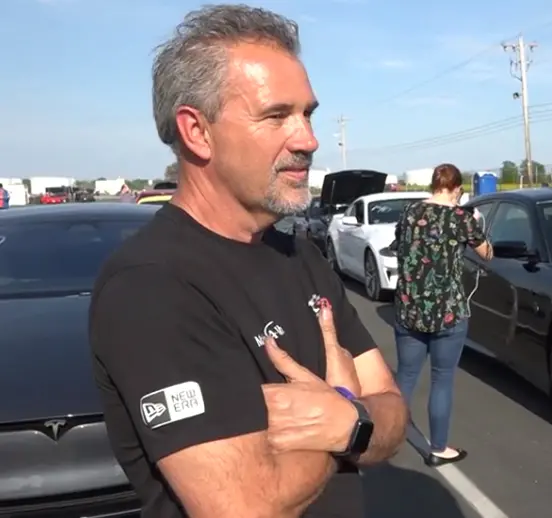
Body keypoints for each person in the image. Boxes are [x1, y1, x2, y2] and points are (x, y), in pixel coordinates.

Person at [89, 5, 407, 517]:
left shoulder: (299, 255)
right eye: (276, 115)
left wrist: (348, 420)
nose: (308, 139)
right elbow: (248, 508)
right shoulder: (151, 288)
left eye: (307, 113)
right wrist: (347, 409)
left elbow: (392, 410)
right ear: (197, 131)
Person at [391, 163, 493, 466]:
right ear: (457, 189)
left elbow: (398, 245)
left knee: (406, 375)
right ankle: (438, 448)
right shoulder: (461, 218)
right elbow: (487, 254)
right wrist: (477, 223)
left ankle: (389, 434)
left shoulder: (409, 212)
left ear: (434, 185)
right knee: (442, 379)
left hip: (409, 308)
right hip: (448, 312)